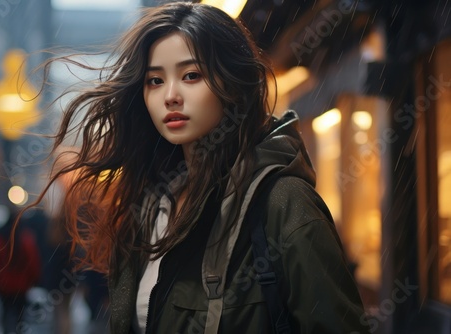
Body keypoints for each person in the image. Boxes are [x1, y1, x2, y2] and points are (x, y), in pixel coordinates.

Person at [32, 2, 371, 333]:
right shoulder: (150, 205)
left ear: (231, 83)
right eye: (155, 81)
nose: (171, 96)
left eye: (191, 75)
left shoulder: (283, 201)